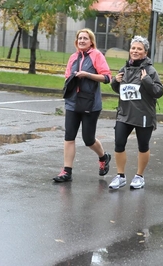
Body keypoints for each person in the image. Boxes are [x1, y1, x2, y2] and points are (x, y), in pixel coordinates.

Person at [53, 28, 112, 182]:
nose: (82, 41)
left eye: (85, 38)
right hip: (72, 102)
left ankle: (103, 157)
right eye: (80, 38)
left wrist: (87, 75)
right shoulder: (73, 57)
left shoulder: (97, 55)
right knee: (69, 136)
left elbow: (107, 78)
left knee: (88, 139)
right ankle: (67, 171)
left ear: (91, 41)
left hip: (90, 104)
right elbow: (67, 76)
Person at [109, 36, 163, 190]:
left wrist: (146, 80)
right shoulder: (124, 69)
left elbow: (158, 92)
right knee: (119, 143)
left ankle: (139, 176)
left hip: (143, 115)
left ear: (145, 53)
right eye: (133, 48)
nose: (135, 51)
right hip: (124, 114)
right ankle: (120, 176)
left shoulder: (150, 70)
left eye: (139, 49)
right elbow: (120, 90)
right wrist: (115, 82)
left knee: (143, 146)